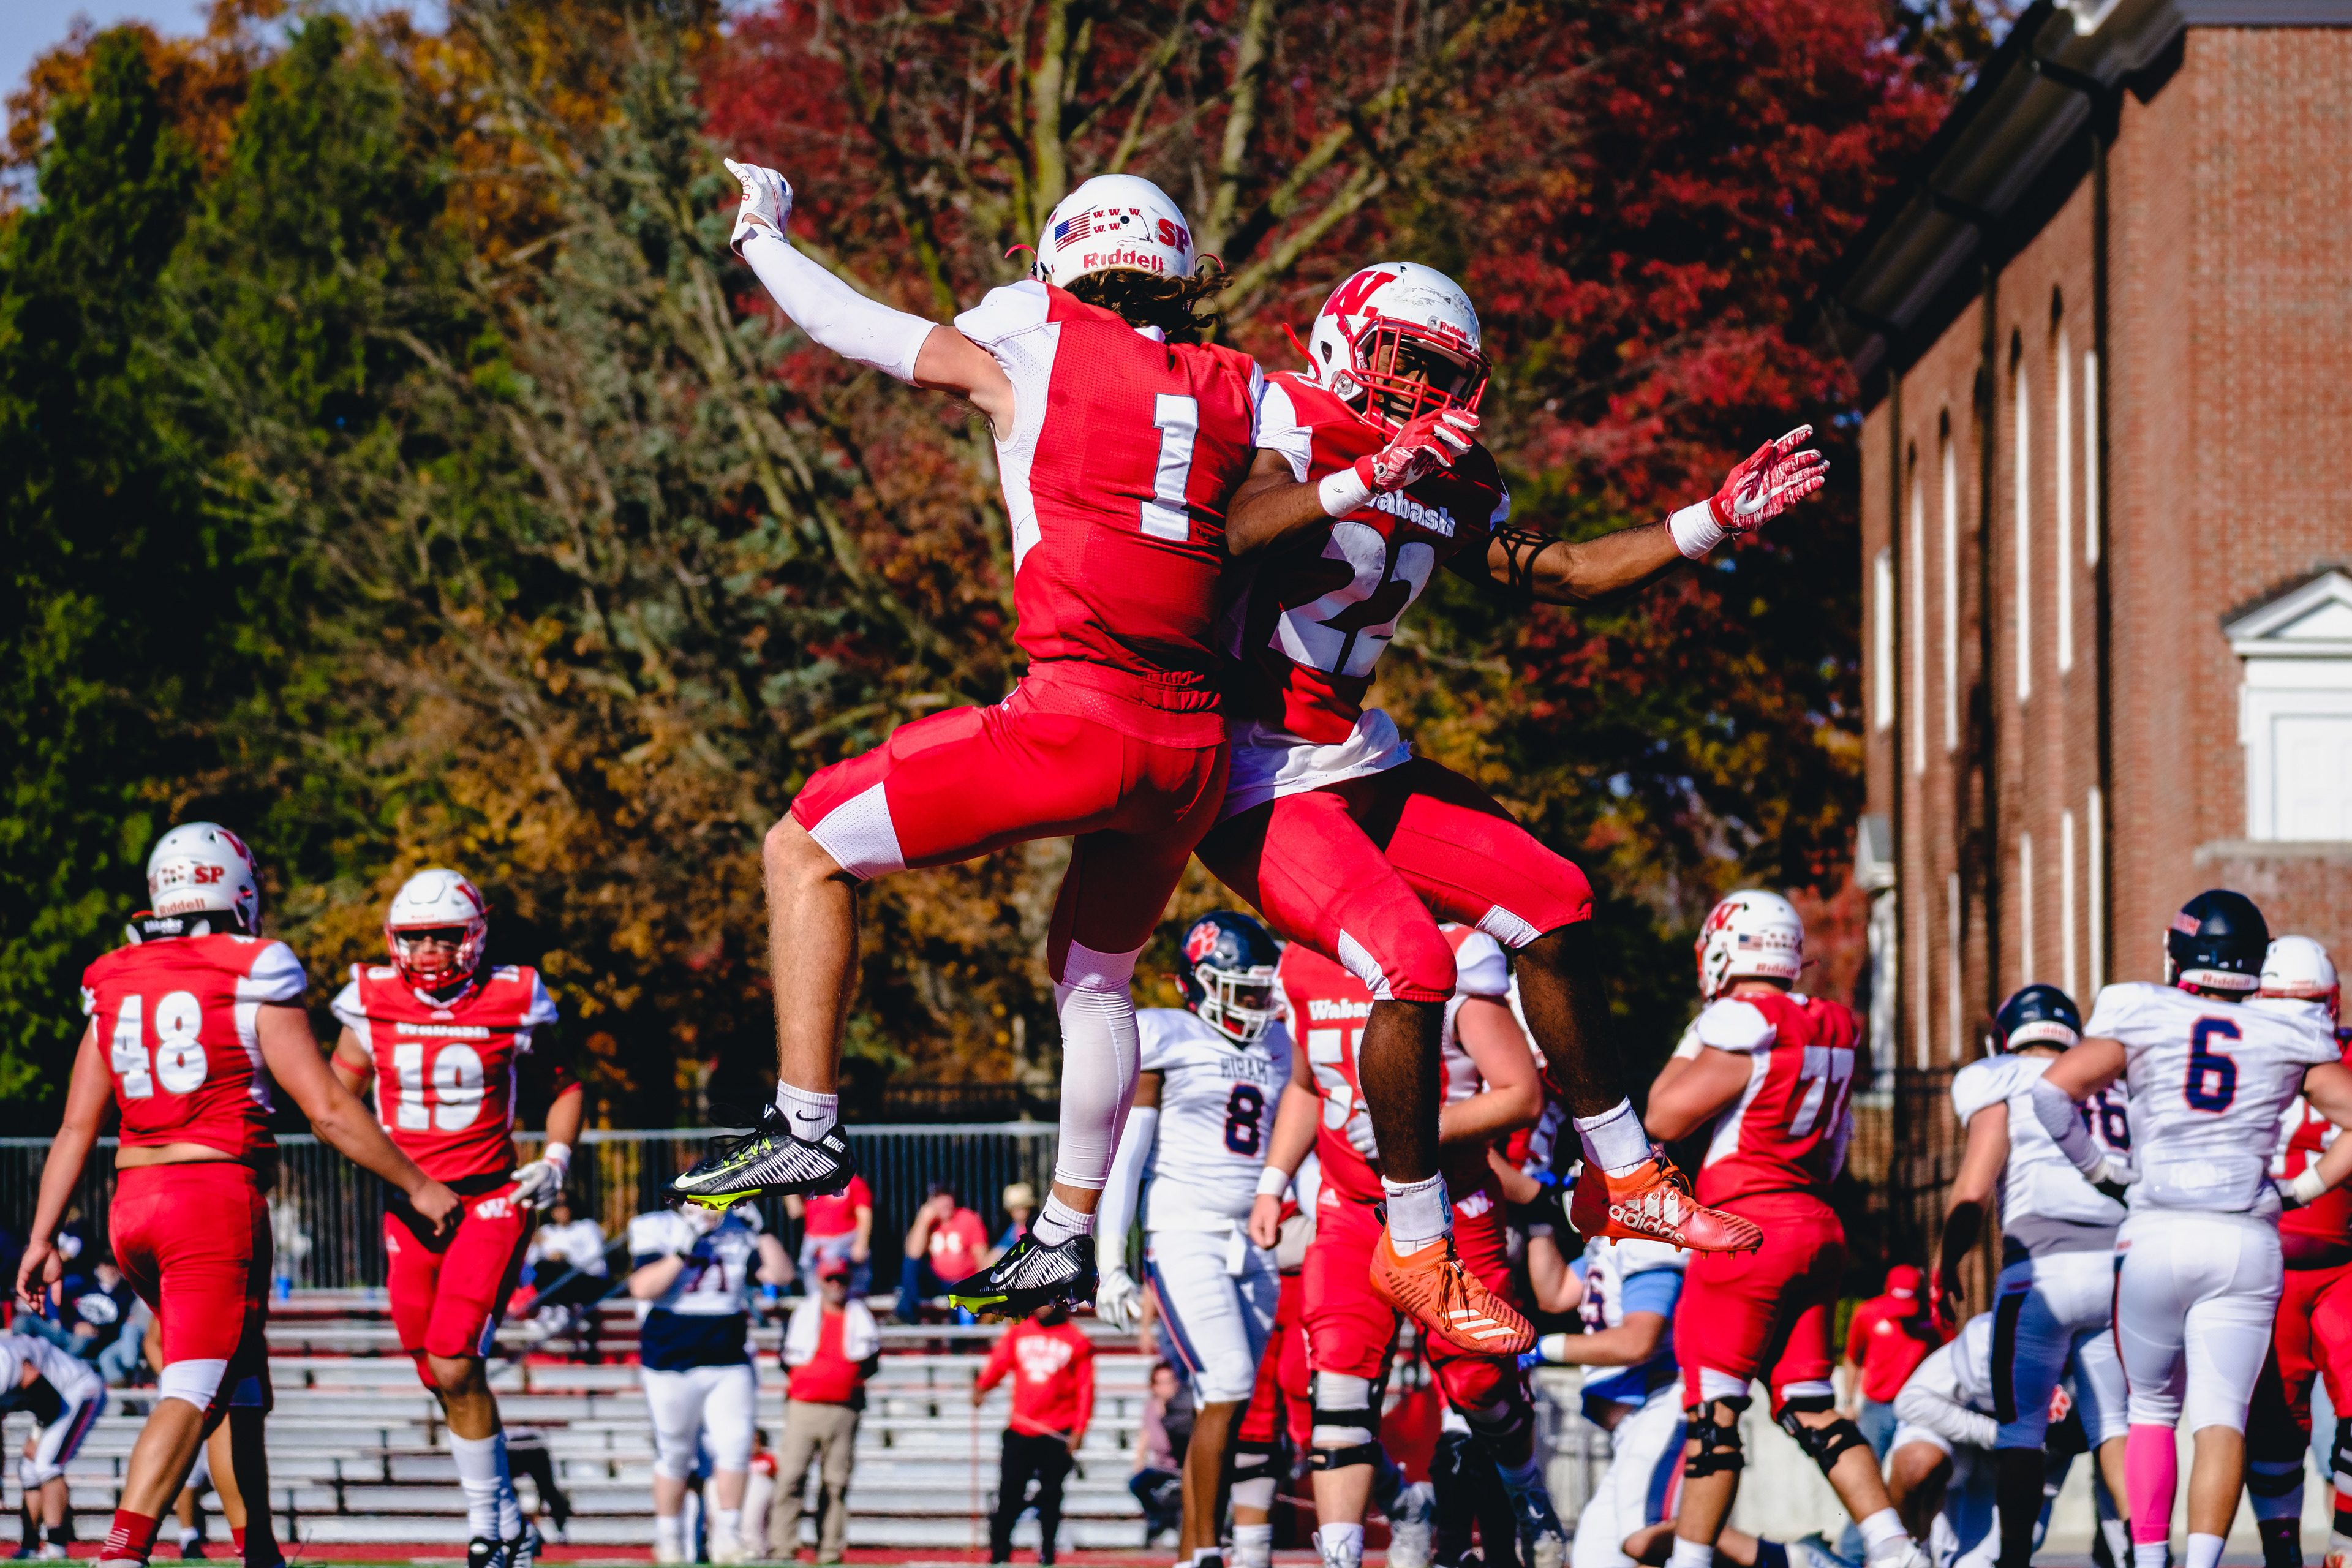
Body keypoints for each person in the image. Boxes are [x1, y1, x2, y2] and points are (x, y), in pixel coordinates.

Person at [674, 160, 1397, 1322]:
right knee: (1094, 976)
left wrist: (762, 234)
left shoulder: (1033, 329)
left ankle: (804, 1124)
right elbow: (1305, 488)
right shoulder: (1245, 387)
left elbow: (851, 326)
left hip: (1078, 716)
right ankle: (1064, 1231)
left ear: (1062, 259)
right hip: (1196, 752)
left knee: (804, 844)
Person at [1200, 262, 1822, 1346]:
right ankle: (1413, 1244)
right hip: (1251, 769)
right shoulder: (1285, 413)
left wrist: (1709, 520)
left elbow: (1564, 568)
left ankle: (1622, 1173)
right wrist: (1359, 476)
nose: (1423, 395)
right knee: (1415, 964)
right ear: (1347, 343)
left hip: (1351, 755)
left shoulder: (1448, 471)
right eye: (1407, 368)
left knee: (1558, 899)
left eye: (1446, 377)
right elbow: (1233, 532)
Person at [16, 822, 461, 1568]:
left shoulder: (116, 975)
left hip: (135, 1202)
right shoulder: (252, 966)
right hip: (209, 1201)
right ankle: (120, 1554)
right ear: (239, 892)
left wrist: (40, 1237)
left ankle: (262, 1556)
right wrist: (417, 1183)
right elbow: (324, 1106)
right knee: (193, 1386)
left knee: (237, 1384)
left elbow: (74, 1124)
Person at [2030, 891, 2352, 1568]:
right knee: (2222, 1419)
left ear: (2181, 952)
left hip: (2157, 1231)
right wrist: (2303, 1187)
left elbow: (2051, 1091)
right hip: (2246, 1238)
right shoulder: (2289, 1032)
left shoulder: (2143, 1008)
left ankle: (2152, 1564)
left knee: (2150, 1411)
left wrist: (2100, 1171)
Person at [1249, 922, 1562, 1568]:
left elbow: (1520, 1094)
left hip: (1451, 1209)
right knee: (1337, 1377)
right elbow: (1309, 1086)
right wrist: (1272, 1181)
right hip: (1350, 1208)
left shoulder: (1453, 950)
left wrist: (1413, 1129)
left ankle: (1525, 1482)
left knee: (1479, 1385)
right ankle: (1342, 1556)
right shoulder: (1308, 958)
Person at [1640, 890, 1927, 1568]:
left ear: (1724, 948)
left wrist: (1692, 1039)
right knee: (1809, 1402)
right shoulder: (1829, 1022)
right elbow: (1835, 1151)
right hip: (1816, 1223)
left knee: (1714, 1410)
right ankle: (1894, 1548)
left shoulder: (1741, 1019)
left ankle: (1690, 1561)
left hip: (1746, 1223)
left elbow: (1664, 1115)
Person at [329, 868, 582, 1568]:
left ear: (476, 934)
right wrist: (404, 1178)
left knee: (452, 1355)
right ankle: (511, 1523)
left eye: (446, 934)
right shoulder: (368, 997)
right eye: (417, 937)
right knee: (438, 1369)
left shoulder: (516, 994)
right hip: (409, 1206)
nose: (433, 950)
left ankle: (486, 1531)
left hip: (492, 1196)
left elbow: (565, 1086)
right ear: (393, 941)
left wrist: (555, 1160)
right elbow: (334, 1104)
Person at [1096, 910, 1291, 1568]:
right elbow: (1128, 1154)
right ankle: (1206, 1552)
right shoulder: (1167, 1035)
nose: (1259, 1004)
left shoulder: (1280, 1045)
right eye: (1245, 990)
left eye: (1264, 989)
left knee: (1223, 1403)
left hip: (1255, 1240)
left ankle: (1192, 1552)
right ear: (1199, 985)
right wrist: (1109, 1262)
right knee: (1230, 1380)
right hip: (1184, 1232)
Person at [1934, 983, 2132, 1568]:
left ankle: (2015, 1560)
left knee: (2022, 1434)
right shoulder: (2114, 1083)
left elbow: (1974, 1188)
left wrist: (1945, 1265)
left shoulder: (1998, 1077)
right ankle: (2145, 1555)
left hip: (2041, 1271)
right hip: (2119, 1270)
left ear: (2005, 1038)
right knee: (2117, 1429)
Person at [2247, 934, 2351, 1568]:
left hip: (2320, 1261)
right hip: (2279, 1259)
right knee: (2276, 1420)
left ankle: (2337, 1543)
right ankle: (2311, 1547)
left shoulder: (2229, 1045)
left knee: (2276, 1422)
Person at [627, 1203, 793, 1564]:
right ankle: (668, 1538)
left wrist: (761, 1232)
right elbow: (643, 1287)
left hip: (727, 1350)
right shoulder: (658, 1226)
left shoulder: (738, 1228)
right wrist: (687, 1243)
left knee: (735, 1446)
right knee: (674, 1453)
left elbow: (780, 1276)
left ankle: (729, 1538)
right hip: (671, 1353)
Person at [774, 1258, 880, 1564]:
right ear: (820, 1281)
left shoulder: (860, 1316)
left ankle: (830, 1548)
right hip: (804, 1406)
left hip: (843, 1410)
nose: (835, 1285)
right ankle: (784, 1545)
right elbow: (786, 1358)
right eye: (830, 1279)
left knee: (836, 1483)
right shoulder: (804, 1315)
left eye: (840, 1280)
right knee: (791, 1477)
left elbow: (871, 1360)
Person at [974, 1304, 1095, 1566]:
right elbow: (1000, 1362)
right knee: (1009, 1494)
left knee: (1051, 1497)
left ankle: (1047, 1552)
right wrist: (983, 1386)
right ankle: (1000, 1551)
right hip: (1021, 1430)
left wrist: (1080, 1429)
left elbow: (1086, 1389)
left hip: (1057, 1431)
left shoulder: (1077, 1340)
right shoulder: (1019, 1332)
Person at [0, 1332, 107, 1560]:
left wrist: (37, 1434)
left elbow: (47, 1399)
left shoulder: (2, 1362)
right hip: (53, 1399)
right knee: (28, 1470)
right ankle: (30, 1545)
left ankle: (57, 1546)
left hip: (78, 1390)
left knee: (46, 1464)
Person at [1838, 1266, 1943, 1458]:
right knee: (1867, 1472)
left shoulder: (1934, 1317)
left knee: (1914, 1476)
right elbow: (1853, 1358)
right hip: (1877, 1408)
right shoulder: (1867, 1314)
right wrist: (1849, 1403)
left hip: (1919, 1408)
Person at [524, 1193, 610, 1361]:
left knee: (560, 1267)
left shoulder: (587, 1228)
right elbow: (529, 1268)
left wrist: (567, 1256)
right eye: (557, 1205)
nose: (561, 1209)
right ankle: (549, 1309)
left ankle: (562, 1310)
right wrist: (535, 1245)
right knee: (545, 1266)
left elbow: (598, 1265)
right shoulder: (546, 1232)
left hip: (586, 1281)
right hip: (554, 1280)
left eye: (566, 1204)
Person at [897, 1185, 989, 1322]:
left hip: (962, 1282)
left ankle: (958, 1339)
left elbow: (982, 1257)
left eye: (947, 1197)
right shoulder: (930, 1223)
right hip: (937, 1282)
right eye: (939, 1198)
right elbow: (912, 1254)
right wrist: (923, 1221)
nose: (944, 1202)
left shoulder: (968, 1218)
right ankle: (908, 1315)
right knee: (911, 1265)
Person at [1129, 1361, 1189, 1548]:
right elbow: (1145, 1434)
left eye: (1170, 1382)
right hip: (1160, 1466)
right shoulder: (1151, 1408)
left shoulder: (1184, 1409)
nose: (1167, 1387)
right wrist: (1138, 1461)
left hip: (1180, 1467)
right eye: (1161, 1383)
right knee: (1137, 1483)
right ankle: (1158, 1517)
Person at [785, 1172, 873, 1297]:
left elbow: (864, 1214)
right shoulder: (812, 1183)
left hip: (845, 1245)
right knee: (815, 1292)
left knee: (850, 1292)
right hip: (815, 1247)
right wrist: (789, 1185)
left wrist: (861, 1244)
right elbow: (795, 1212)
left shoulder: (853, 1182)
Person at [986, 1184, 1037, 1269]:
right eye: (1015, 1209)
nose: (1019, 1212)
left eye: (1022, 1207)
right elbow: (995, 1255)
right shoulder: (1011, 1230)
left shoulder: (1035, 1228)